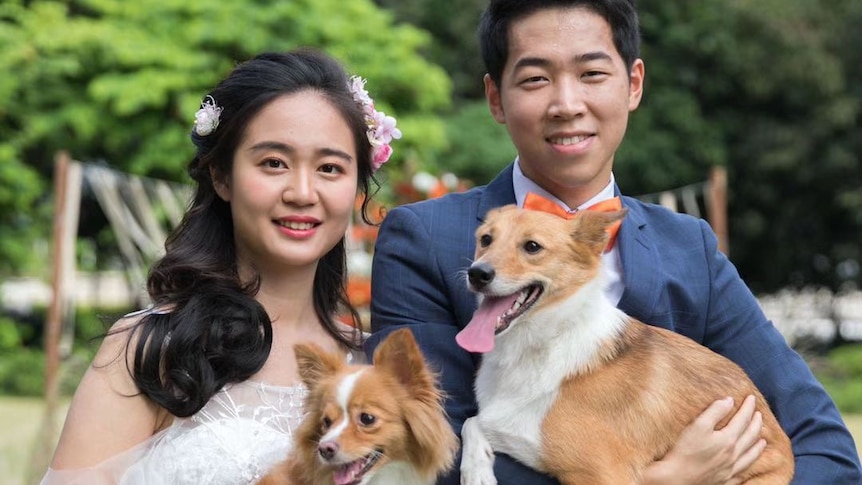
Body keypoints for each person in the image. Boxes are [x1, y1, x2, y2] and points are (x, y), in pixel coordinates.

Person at [366, 1, 862, 484]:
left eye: (592, 74)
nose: (566, 104)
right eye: (536, 78)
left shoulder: (689, 247)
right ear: (496, 97)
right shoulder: (424, 238)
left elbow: (826, 448)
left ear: (634, 84)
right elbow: (418, 456)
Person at [41, 48, 400, 484]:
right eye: (274, 163)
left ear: (357, 187)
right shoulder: (152, 349)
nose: (303, 192)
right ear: (221, 176)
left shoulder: (373, 363)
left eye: (329, 168)